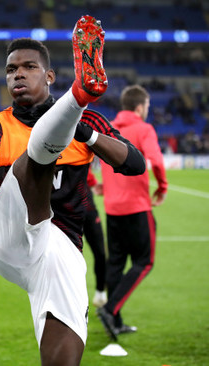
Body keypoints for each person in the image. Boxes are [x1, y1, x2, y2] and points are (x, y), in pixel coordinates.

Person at [0, 16, 145, 365]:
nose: (17, 74)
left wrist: (87, 137)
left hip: (57, 248)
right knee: (34, 158)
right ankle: (80, 94)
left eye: (29, 66)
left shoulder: (88, 126)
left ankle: (74, 104)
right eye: (11, 69)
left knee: (66, 345)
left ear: (49, 76)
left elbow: (135, 164)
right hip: (8, 235)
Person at [96, 84, 167, 341]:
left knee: (116, 263)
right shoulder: (144, 129)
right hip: (137, 207)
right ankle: (110, 310)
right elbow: (156, 160)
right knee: (144, 261)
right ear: (140, 107)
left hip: (113, 209)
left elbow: (91, 160)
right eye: (147, 106)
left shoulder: (108, 130)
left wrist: (99, 185)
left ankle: (115, 321)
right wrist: (162, 186)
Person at [84, 166, 107, 308]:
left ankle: (101, 293)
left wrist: (92, 182)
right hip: (67, 205)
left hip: (85, 203)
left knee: (100, 252)